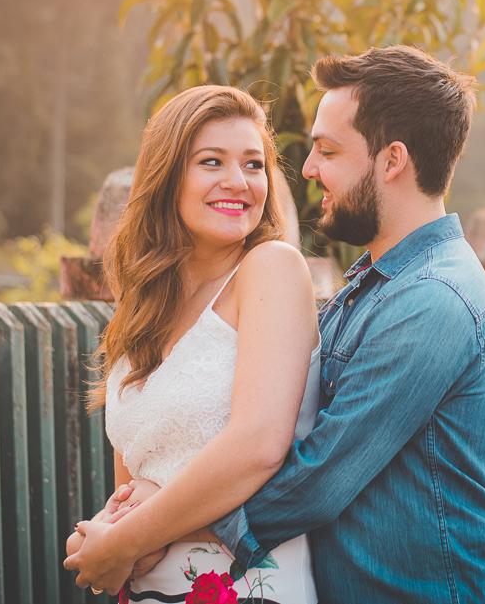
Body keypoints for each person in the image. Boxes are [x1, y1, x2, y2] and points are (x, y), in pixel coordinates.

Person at [75, 45, 485, 603]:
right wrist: (126, 523)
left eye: (327, 150)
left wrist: (138, 534)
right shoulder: (373, 283)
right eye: (211, 161)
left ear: (392, 161)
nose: (306, 169)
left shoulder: (433, 297)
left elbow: (316, 478)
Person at [65, 85, 322, 602]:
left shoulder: (270, 268)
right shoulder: (141, 305)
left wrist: (126, 540)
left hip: (246, 585)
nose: (238, 181)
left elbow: (258, 446)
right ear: (166, 177)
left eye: (253, 165)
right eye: (212, 161)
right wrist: (95, 537)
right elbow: (133, 481)